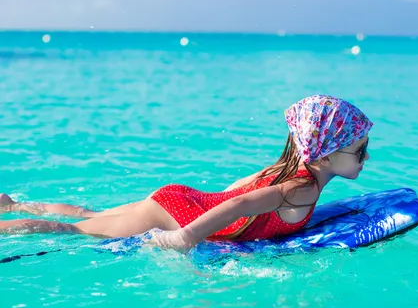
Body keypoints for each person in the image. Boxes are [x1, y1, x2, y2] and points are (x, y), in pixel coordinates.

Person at [0, 94, 372, 250]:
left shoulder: (286, 170)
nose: (365, 157)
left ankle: (13, 206)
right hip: (175, 215)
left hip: (181, 200)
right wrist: (187, 237)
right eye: (360, 149)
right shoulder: (301, 189)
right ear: (324, 156)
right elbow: (240, 203)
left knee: (89, 215)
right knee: (75, 230)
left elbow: (237, 189)